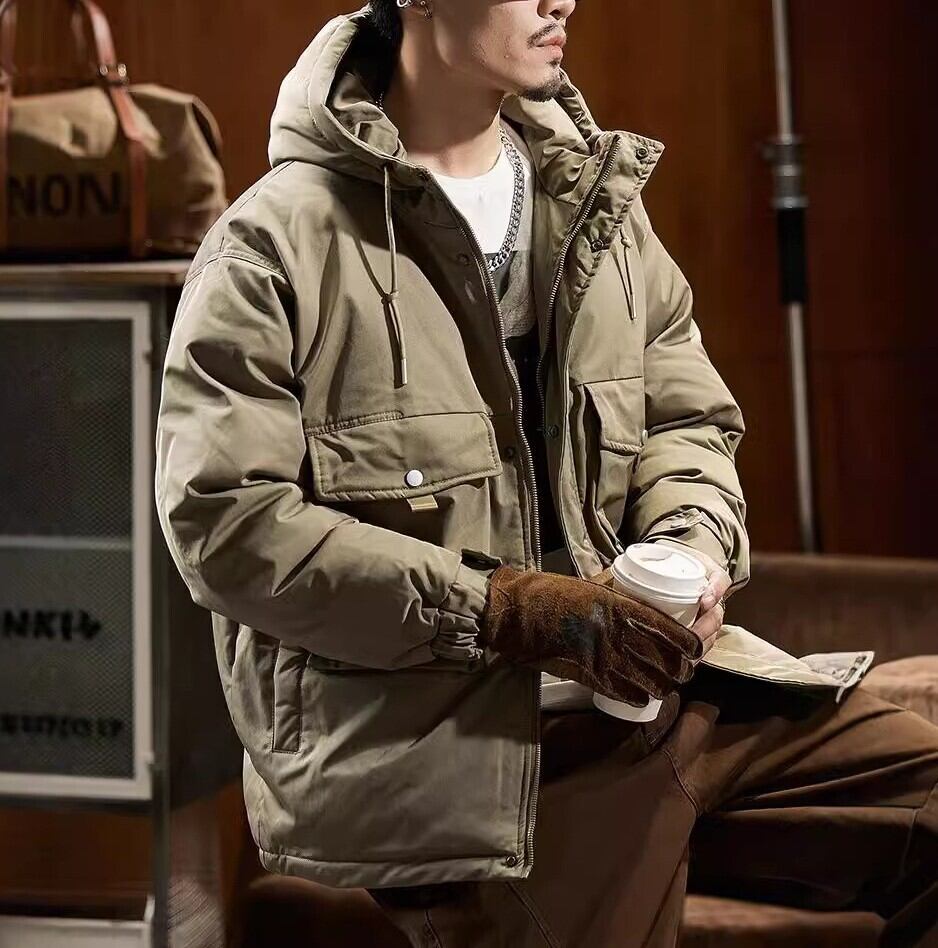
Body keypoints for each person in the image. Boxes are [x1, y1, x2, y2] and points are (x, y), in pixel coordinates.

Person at [154, 1, 938, 945]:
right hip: (455, 760)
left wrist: (690, 550)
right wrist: (509, 611)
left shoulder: (596, 203)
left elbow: (686, 420)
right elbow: (228, 527)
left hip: (674, 700)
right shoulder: (272, 246)